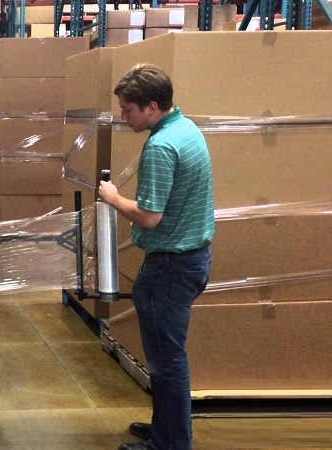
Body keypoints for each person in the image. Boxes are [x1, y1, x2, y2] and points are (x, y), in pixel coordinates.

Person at [99, 64, 215, 450]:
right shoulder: (187, 128)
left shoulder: (162, 146)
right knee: (166, 356)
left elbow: (150, 216)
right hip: (191, 258)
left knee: (167, 360)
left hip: (171, 266)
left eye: (128, 110)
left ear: (152, 107)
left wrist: (114, 198)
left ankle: (170, 443)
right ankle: (165, 428)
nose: (123, 117)